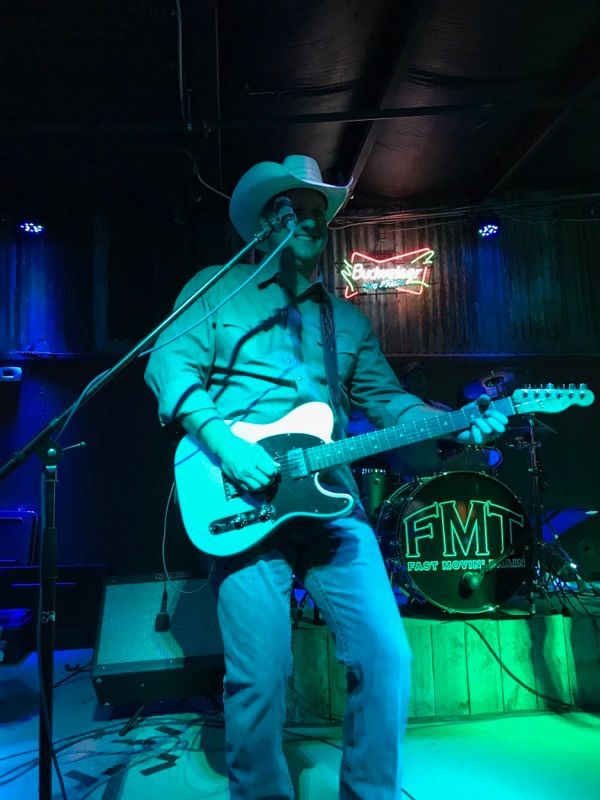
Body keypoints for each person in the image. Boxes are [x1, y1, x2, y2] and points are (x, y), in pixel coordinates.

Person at [144, 155, 507, 800]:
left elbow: (390, 404)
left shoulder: (347, 321)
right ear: (264, 224)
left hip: (332, 501)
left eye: (318, 212)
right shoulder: (217, 288)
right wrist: (227, 446)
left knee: (386, 656)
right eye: (293, 210)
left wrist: (454, 423)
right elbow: (168, 367)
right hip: (241, 498)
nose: (310, 220)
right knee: (260, 674)